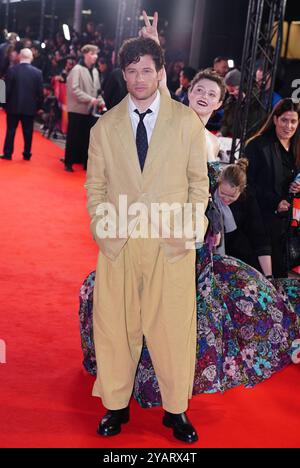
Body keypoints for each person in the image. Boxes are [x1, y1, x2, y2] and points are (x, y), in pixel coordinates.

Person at [85, 34, 209, 443]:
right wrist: (105, 232)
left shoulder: (186, 122)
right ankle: (115, 406)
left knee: (173, 329)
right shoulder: (104, 127)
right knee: (114, 326)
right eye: (131, 71)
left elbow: (199, 185)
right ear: (123, 75)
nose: (138, 79)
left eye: (146, 70)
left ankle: (177, 411)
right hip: (119, 242)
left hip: (169, 244)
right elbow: (95, 188)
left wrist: (187, 233)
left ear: (160, 73)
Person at [245, 98, 300, 278]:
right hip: (262, 222)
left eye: (293, 121)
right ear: (275, 119)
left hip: (290, 226)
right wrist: (276, 202)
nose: (288, 126)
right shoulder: (258, 145)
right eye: (284, 120)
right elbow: (248, 186)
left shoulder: (297, 146)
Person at [63, 44, 104, 172]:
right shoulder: (76, 69)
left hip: (90, 109)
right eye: (92, 53)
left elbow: (97, 90)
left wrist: (101, 101)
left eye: (96, 54)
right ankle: (68, 162)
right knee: (73, 136)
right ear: (85, 54)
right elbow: (74, 89)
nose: (95, 56)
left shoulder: (96, 71)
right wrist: (90, 99)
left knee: (87, 137)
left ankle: (83, 162)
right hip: (77, 108)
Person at [0, 48, 43, 161]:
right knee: (28, 131)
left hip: (13, 106)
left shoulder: (12, 70)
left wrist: (3, 104)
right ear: (31, 58)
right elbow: (40, 92)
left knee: (11, 130)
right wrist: (39, 107)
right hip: (30, 107)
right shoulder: (38, 73)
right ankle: (27, 153)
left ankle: (8, 153)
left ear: (20, 56)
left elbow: (5, 89)